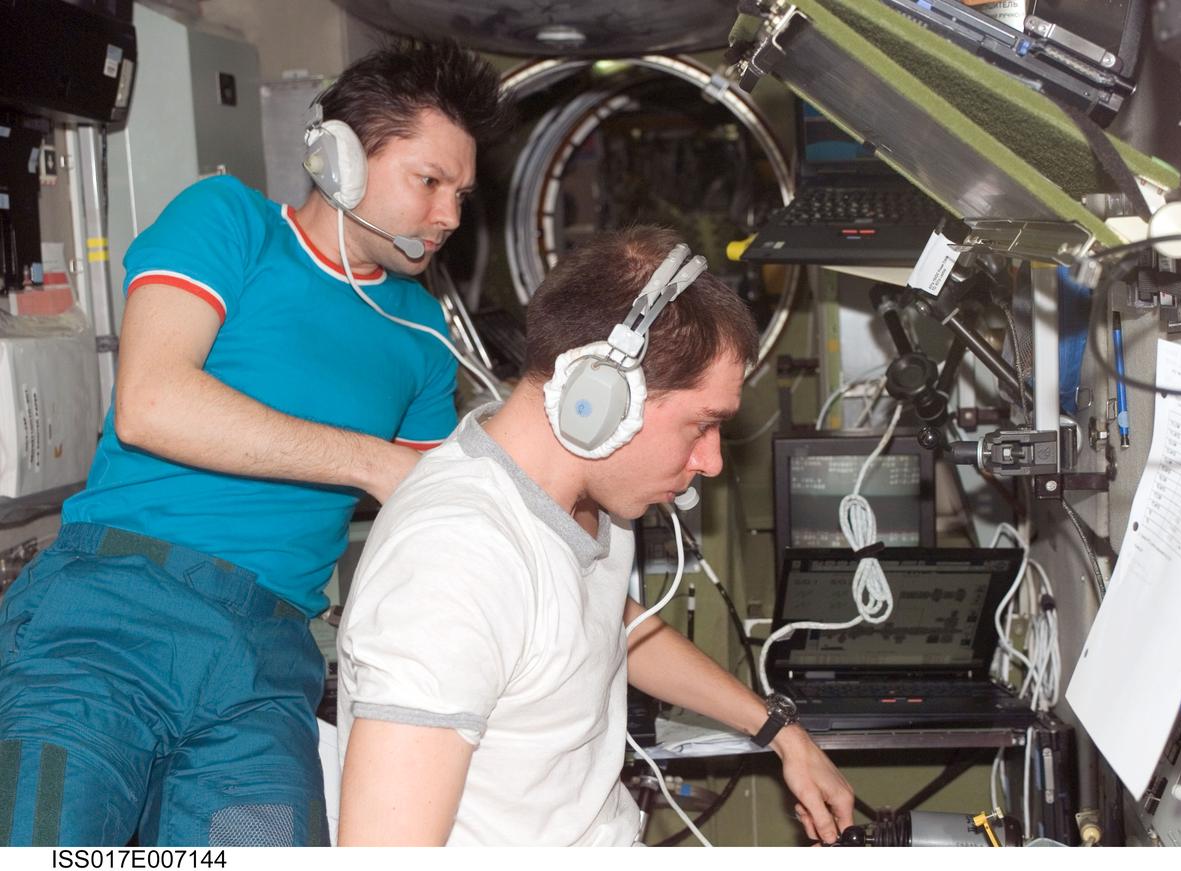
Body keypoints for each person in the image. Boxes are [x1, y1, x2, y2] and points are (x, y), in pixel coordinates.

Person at [0, 39, 510, 846]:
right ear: (339, 158)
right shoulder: (226, 221)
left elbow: (434, 512)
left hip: (266, 674)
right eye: (429, 182)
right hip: (114, 617)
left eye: (463, 194)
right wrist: (372, 461)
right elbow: (152, 403)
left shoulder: (421, 331)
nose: (449, 216)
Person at [336, 226, 856, 846]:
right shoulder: (456, 560)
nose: (712, 462)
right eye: (702, 425)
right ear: (600, 398)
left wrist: (779, 733)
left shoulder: (590, 499)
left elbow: (613, 625)